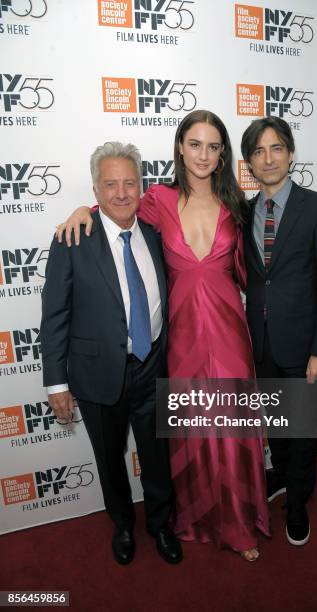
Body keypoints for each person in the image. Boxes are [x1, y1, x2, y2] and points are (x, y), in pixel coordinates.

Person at [55, 110, 270, 561]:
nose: (204, 155)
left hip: (229, 330)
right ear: (179, 147)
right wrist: (83, 209)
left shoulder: (237, 204)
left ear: (223, 153)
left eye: (213, 146)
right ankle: (190, 519)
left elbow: (254, 273)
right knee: (189, 432)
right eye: (195, 144)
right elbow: (118, 208)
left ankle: (236, 522)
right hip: (181, 337)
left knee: (229, 426)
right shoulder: (157, 200)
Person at [40, 142, 182, 566]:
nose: (121, 193)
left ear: (142, 186)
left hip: (153, 365)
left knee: (158, 455)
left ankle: (161, 523)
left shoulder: (157, 235)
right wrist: (56, 382)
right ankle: (122, 524)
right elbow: (55, 315)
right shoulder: (71, 237)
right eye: (110, 185)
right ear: (95, 190)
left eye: (129, 183)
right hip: (96, 373)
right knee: (109, 460)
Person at [241, 116, 317, 546]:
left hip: (304, 348)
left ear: (290, 153)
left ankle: (299, 502)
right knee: (276, 424)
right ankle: (282, 475)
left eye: (276, 148)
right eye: (259, 151)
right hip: (259, 344)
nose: (268, 159)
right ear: (249, 161)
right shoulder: (242, 211)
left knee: (301, 429)